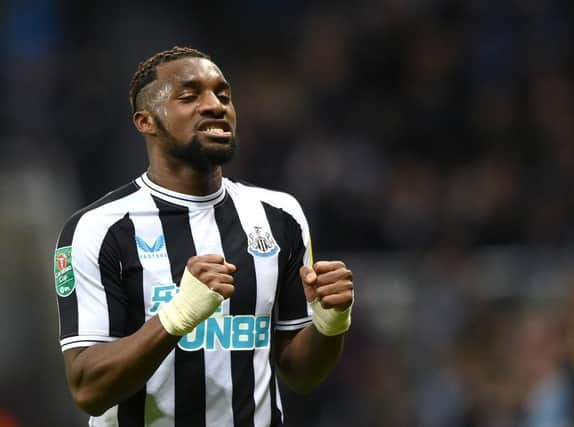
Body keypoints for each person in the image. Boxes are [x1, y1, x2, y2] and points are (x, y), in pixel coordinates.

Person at [53, 46, 354, 427]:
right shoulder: (99, 229)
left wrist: (329, 324)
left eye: (223, 95)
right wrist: (176, 316)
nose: (215, 105)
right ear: (146, 121)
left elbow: (302, 374)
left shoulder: (280, 216)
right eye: (189, 96)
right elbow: (88, 390)